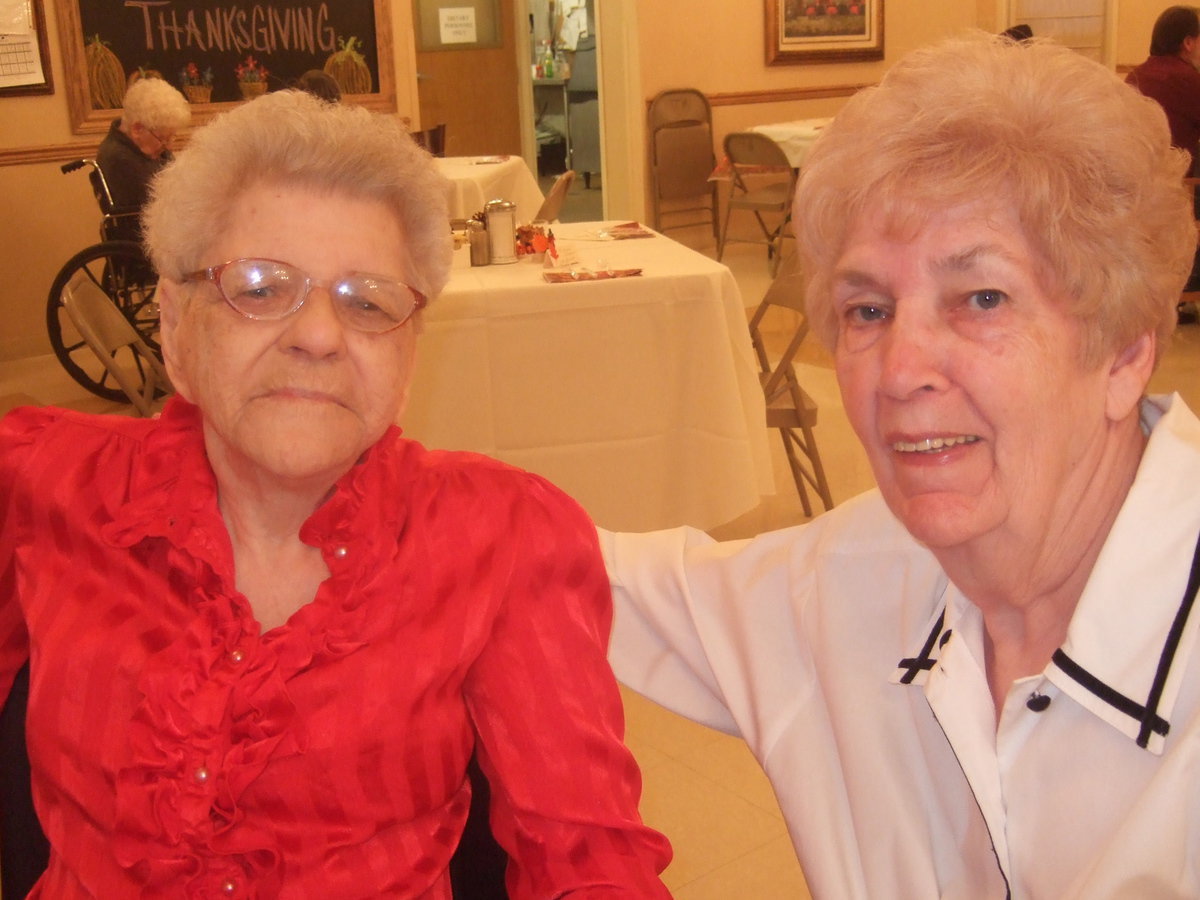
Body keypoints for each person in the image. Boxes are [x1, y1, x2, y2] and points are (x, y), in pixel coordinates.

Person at [0, 90, 670, 896]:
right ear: (175, 329)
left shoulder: (503, 537)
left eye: (368, 302)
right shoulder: (41, 481)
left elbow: (588, 858)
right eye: (258, 286)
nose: (319, 335)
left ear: (408, 357)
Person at [605, 33, 1200, 897]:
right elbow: (554, 569)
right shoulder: (850, 574)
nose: (900, 369)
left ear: (1124, 353)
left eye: (982, 298)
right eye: (868, 309)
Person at [95, 77, 191, 235]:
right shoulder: (118, 159)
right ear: (137, 129)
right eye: (163, 139)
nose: (169, 146)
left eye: (171, 138)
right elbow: (164, 206)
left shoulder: (147, 149)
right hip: (147, 238)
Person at [1126, 6, 1200, 174]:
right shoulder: (1189, 79)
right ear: (1188, 43)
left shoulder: (1134, 75)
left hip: (1133, 173)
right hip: (1174, 180)